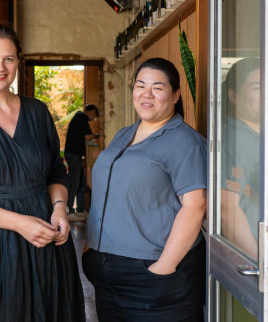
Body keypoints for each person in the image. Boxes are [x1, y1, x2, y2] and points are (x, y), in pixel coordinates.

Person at [0, 24, 86, 322]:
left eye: (9, 59)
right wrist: (19, 224)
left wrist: (60, 208)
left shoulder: (37, 112)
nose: (0, 67)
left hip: (46, 236)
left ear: (18, 62)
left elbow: (56, 174)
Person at [83, 58, 207, 321]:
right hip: (108, 272)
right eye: (140, 86)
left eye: (158, 87)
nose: (146, 94)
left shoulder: (185, 142)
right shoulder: (124, 134)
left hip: (152, 275)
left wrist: (164, 267)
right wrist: (91, 247)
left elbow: (195, 207)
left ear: (175, 95)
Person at [221, 58, 260, 259]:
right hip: (256, 259)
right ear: (234, 96)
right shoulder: (234, 139)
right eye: (257, 87)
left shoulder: (265, 137)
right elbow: (228, 210)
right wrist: (259, 268)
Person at [64, 104, 99, 221]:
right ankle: (68, 211)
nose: (93, 118)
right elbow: (88, 137)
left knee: (82, 184)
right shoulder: (81, 117)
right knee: (74, 183)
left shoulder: (79, 118)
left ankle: (80, 210)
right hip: (73, 155)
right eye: (94, 115)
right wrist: (96, 135)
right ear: (90, 111)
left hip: (76, 155)